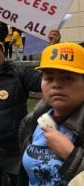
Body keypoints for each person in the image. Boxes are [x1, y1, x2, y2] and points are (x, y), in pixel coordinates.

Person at [0, 31, 61, 186]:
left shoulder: (18, 73)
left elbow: (44, 81)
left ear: (3, 53)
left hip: (15, 153)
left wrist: (53, 50)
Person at [18, 42, 84, 185]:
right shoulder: (30, 122)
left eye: (67, 77)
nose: (56, 84)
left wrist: (72, 156)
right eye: (49, 78)